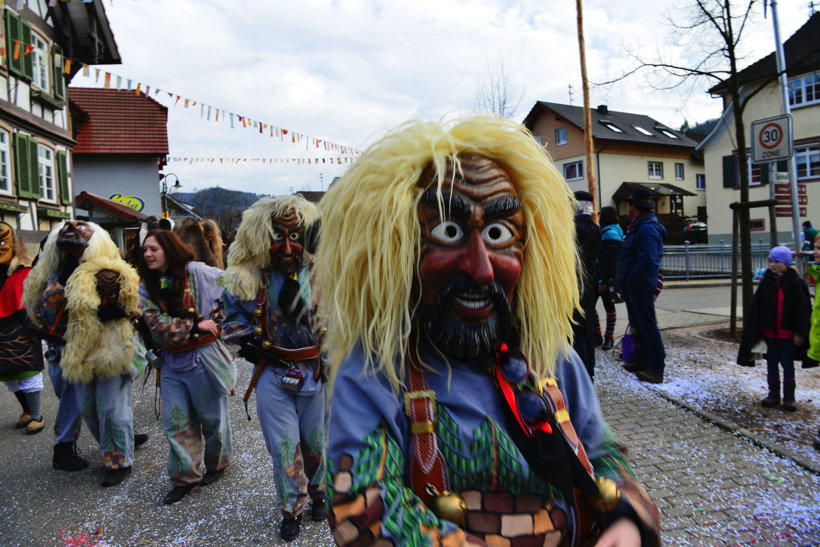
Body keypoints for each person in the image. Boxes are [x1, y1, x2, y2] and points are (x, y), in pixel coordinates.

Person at [315, 117, 660, 546]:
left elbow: (600, 453)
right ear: (398, 247)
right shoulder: (376, 371)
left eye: (499, 233)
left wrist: (626, 517)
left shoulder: (550, 357)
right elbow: (363, 513)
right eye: (448, 231)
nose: (480, 269)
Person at [222, 196, 326, 541]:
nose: (286, 246)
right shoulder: (250, 278)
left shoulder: (326, 275)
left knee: (316, 443)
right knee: (283, 446)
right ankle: (291, 508)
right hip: (273, 374)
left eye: (295, 236)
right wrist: (245, 343)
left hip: (316, 372)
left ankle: (319, 492)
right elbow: (232, 321)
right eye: (277, 237)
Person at [23, 220, 142, 486]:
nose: (73, 252)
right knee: (89, 410)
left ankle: (119, 460)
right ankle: (116, 448)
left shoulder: (107, 271)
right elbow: (39, 312)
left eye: (78, 247)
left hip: (108, 349)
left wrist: (113, 310)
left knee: (112, 409)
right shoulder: (49, 275)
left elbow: (132, 303)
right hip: (72, 353)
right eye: (67, 247)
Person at [137, 229, 235, 504]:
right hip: (170, 361)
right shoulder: (147, 284)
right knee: (176, 422)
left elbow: (235, 289)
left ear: (169, 248)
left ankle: (218, 464)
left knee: (213, 419)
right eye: (145, 250)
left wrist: (222, 321)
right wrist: (194, 325)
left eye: (153, 249)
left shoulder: (198, 272)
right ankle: (185, 478)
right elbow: (154, 325)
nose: (147, 254)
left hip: (204, 357)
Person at [737, 246, 810, 411]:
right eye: (770, 261)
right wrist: (758, 331)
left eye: (776, 262)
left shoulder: (795, 283)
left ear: (786, 263)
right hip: (770, 334)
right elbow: (758, 308)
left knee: (787, 364)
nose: (772, 265)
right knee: (771, 363)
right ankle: (773, 395)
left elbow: (802, 309)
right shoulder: (767, 282)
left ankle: (789, 398)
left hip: (787, 335)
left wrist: (800, 333)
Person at [616, 188, 667, 384]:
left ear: (636, 207)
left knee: (648, 326)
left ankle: (656, 368)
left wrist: (632, 279)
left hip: (640, 285)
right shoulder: (638, 225)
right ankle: (642, 359)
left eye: (629, 205)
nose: (627, 208)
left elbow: (648, 260)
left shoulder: (647, 229)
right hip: (633, 285)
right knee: (638, 325)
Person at [0, 221, 45, 435]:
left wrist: (33, 328)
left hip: (21, 325)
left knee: (27, 370)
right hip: (2, 328)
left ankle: (36, 415)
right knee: (9, 373)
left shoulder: (22, 271)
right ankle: (26, 410)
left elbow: (25, 300)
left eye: (3, 241)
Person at [571, 190, 601, 379]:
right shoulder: (596, 229)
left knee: (576, 330)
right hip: (589, 285)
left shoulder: (574, 229)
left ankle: (580, 372)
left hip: (574, 285)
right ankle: (589, 369)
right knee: (587, 328)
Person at [594, 207, 624, 352]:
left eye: (600, 214)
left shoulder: (610, 233)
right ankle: (598, 336)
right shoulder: (611, 231)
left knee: (609, 308)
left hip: (605, 278)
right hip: (602, 276)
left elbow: (609, 260)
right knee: (592, 307)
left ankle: (608, 338)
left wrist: (603, 281)